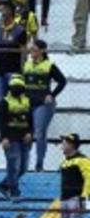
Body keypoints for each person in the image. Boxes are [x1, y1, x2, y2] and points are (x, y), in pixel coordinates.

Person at [22, 40, 65, 172]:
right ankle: (24, 163)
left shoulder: (49, 65)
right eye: (31, 50)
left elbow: (62, 81)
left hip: (43, 104)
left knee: (39, 133)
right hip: (28, 102)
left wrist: (52, 95)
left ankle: (39, 164)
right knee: (26, 133)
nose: (31, 52)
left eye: (34, 50)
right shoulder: (27, 64)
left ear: (42, 51)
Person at [0, 74, 33, 201]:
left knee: (23, 168)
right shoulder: (4, 103)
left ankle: (4, 185)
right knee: (13, 166)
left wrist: (30, 133)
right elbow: (1, 122)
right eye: (14, 87)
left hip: (25, 138)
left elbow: (31, 120)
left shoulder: (28, 101)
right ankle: (14, 192)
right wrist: (4, 138)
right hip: (11, 138)